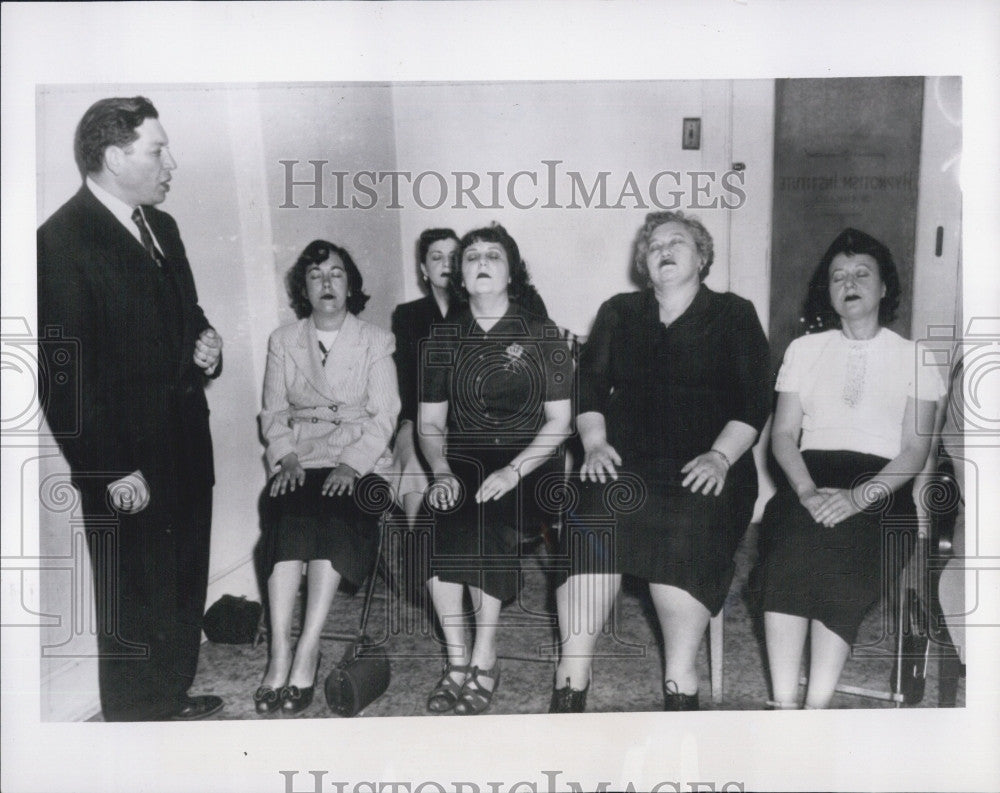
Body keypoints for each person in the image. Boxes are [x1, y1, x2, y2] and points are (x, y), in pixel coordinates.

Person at [37, 96, 224, 721]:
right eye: (156, 150)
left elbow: (186, 316)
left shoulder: (159, 226)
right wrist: (109, 469)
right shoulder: (59, 242)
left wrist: (206, 345)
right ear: (116, 157)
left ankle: (168, 699)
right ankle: (134, 724)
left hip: (184, 445)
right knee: (135, 603)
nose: (170, 162)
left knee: (180, 586)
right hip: (124, 461)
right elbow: (63, 381)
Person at [550, 210, 770, 713]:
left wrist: (719, 456)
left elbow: (754, 399)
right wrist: (595, 442)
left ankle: (680, 677)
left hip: (708, 462)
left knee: (688, 522)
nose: (664, 250)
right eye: (654, 247)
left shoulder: (734, 314)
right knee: (591, 513)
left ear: (703, 257)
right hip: (623, 459)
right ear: (644, 265)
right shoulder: (619, 311)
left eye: (678, 242)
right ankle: (572, 677)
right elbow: (587, 384)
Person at [759, 228, 943, 709]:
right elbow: (782, 435)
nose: (850, 282)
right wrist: (805, 492)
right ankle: (782, 706)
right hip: (809, 478)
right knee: (789, 544)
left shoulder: (915, 357)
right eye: (838, 276)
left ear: (885, 288)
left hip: (882, 488)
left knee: (842, 553)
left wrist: (858, 497)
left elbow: (914, 451)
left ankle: (815, 707)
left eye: (863, 273)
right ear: (829, 291)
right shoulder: (804, 349)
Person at [418, 222, 572, 715]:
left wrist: (513, 471)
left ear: (511, 272)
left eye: (494, 255)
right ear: (458, 276)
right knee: (435, 519)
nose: (481, 262)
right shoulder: (442, 338)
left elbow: (560, 423)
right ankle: (457, 660)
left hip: (530, 462)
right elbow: (429, 423)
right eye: (471, 257)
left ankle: (486, 656)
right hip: (461, 459)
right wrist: (440, 470)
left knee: (487, 519)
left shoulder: (542, 333)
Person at [255, 240, 400, 716]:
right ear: (304, 288)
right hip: (304, 457)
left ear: (351, 284)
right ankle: (280, 650)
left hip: (364, 462)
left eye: (336, 273)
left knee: (334, 515)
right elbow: (274, 412)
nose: (327, 284)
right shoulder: (284, 340)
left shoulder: (375, 341)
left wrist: (351, 464)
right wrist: (287, 458)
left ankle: (308, 648)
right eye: (316, 276)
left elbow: (385, 417)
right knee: (287, 512)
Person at [391, 229, 461, 527]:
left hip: (466, 420)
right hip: (419, 417)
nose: (446, 264)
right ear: (423, 269)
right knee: (415, 464)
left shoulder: (478, 309)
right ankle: (420, 553)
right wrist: (410, 425)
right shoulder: (408, 315)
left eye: (453, 257)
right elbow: (406, 382)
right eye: (436, 257)